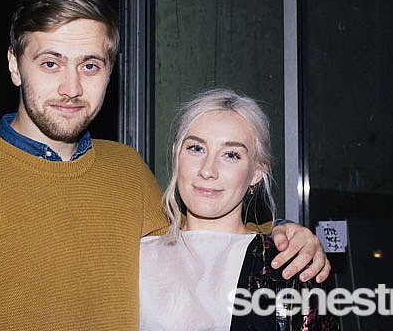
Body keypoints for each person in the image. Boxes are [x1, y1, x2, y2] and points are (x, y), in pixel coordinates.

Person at [0, 0, 330, 331]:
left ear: (109, 72)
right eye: (50, 63)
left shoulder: (126, 170)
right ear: (14, 65)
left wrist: (284, 237)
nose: (71, 87)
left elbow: (198, 245)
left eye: (89, 65)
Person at [139, 88, 339, 330]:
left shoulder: (290, 265)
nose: (208, 170)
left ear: (257, 172)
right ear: (176, 155)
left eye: (231, 155)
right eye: (196, 148)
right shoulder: (136, 256)